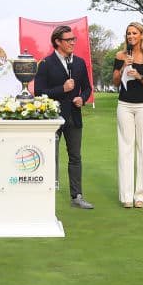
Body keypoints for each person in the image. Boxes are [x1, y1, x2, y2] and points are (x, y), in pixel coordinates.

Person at [35, 25, 95, 209]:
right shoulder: (45, 64)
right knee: (49, 156)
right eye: (68, 40)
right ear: (57, 42)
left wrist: (82, 98)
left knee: (75, 157)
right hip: (52, 118)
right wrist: (63, 89)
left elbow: (87, 88)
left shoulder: (78, 63)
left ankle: (77, 196)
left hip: (74, 117)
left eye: (73, 39)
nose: (72, 43)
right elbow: (39, 92)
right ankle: (46, 194)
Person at [113, 22, 143, 208]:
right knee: (125, 149)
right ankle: (126, 196)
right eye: (128, 33)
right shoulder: (121, 55)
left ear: (141, 35)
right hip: (124, 105)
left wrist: (139, 76)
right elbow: (115, 81)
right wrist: (124, 66)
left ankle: (140, 195)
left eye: (134, 33)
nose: (130, 36)